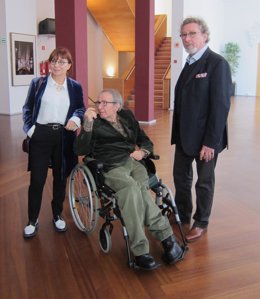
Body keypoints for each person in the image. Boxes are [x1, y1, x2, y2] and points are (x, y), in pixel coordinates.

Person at [74, 88, 183, 270]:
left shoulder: (127, 116)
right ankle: (150, 246)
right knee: (133, 189)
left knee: (140, 190)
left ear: (117, 106)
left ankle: (165, 240)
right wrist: (86, 124)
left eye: (104, 103)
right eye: (98, 102)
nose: (99, 107)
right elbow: (79, 150)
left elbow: (144, 139)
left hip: (133, 162)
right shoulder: (94, 123)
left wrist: (143, 152)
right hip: (110, 165)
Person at [171, 17, 232, 242]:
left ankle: (201, 222)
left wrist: (210, 143)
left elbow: (220, 106)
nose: (187, 39)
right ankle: (183, 212)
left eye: (192, 33)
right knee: (181, 178)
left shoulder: (217, 63)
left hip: (206, 139)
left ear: (205, 35)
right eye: (184, 35)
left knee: (204, 182)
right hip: (184, 136)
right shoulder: (188, 63)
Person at [22, 47, 85, 238]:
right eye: (54, 61)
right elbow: (27, 109)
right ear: (50, 64)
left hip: (64, 137)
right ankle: (32, 220)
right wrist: (31, 130)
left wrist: (76, 118)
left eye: (62, 62)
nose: (57, 65)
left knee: (60, 178)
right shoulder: (37, 83)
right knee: (37, 180)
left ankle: (57, 214)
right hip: (40, 135)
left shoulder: (75, 86)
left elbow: (80, 108)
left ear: (69, 66)